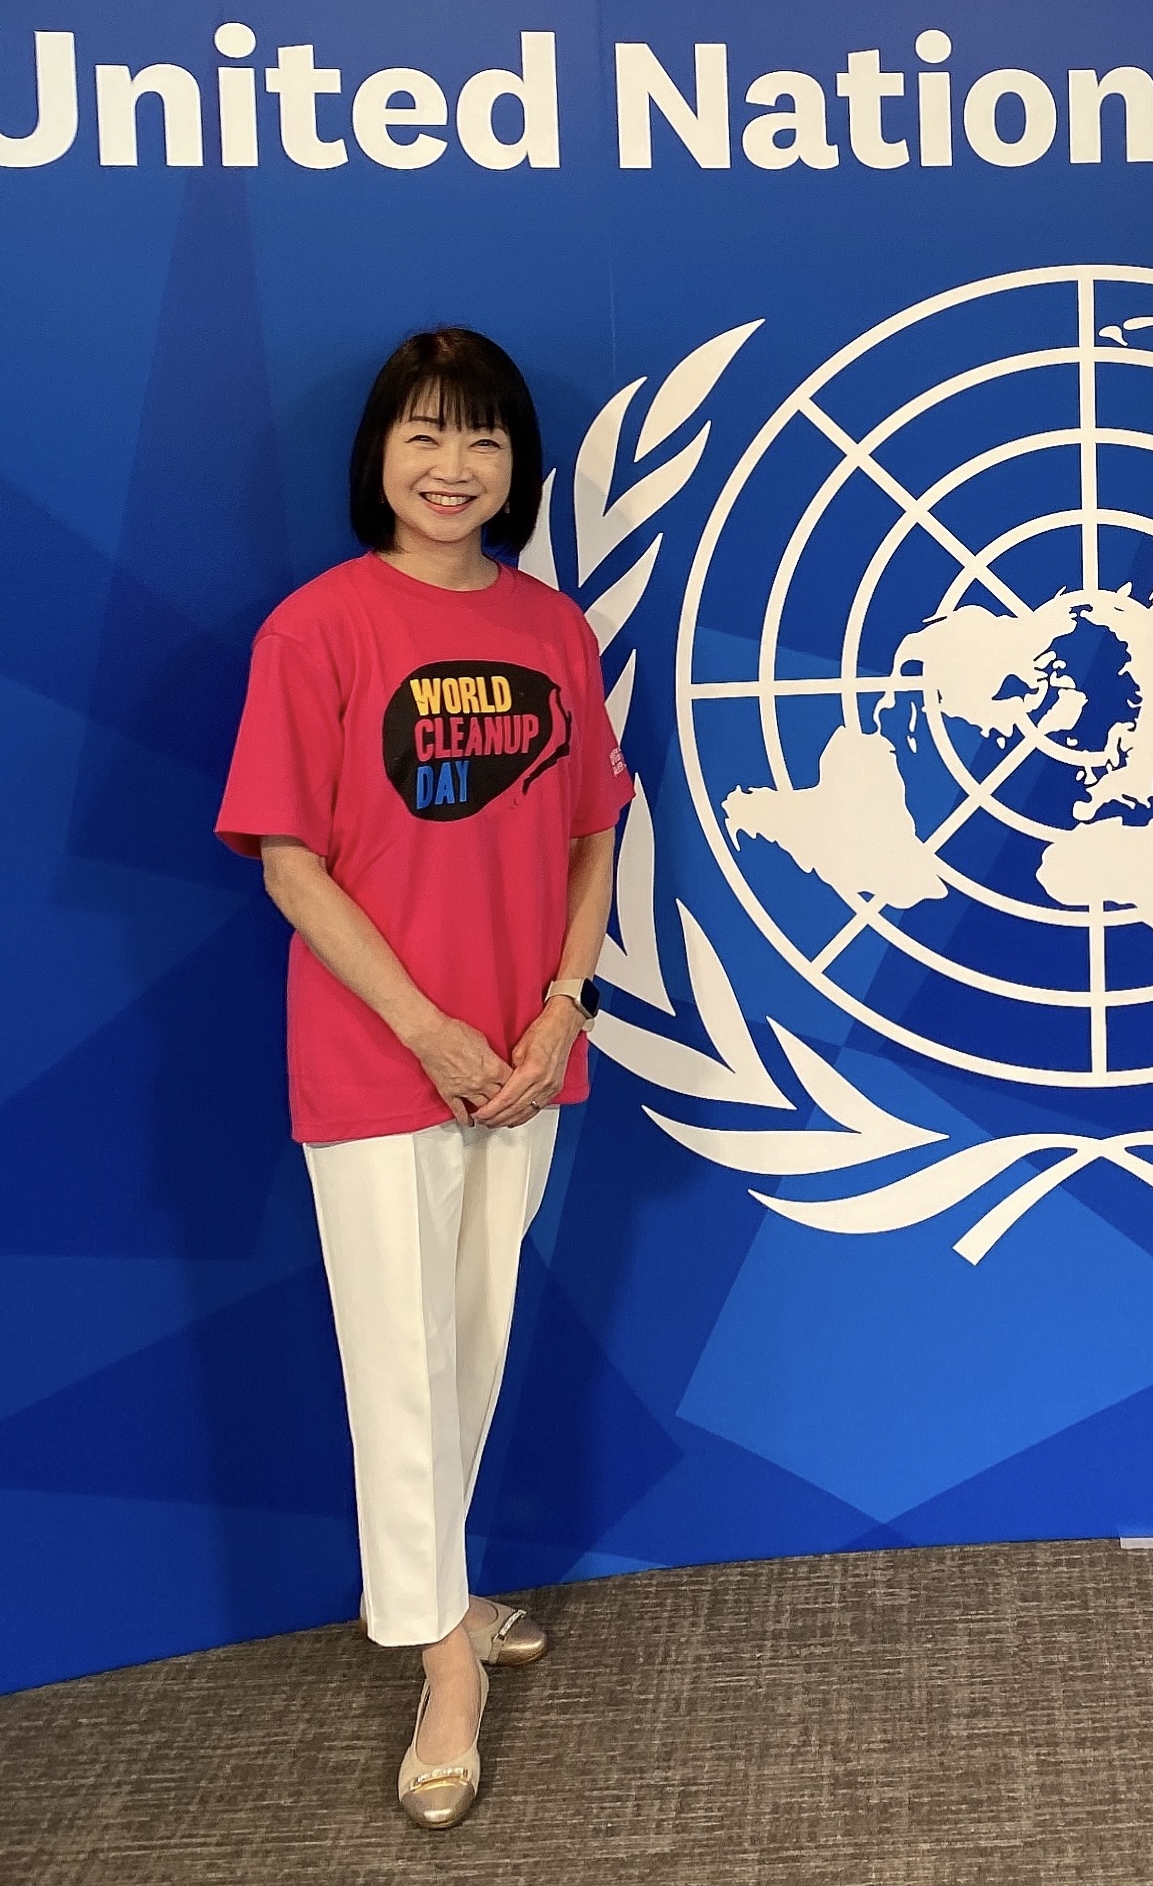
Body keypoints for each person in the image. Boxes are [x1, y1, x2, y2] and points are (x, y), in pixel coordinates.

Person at [217, 329, 631, 1828]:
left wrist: (563, 1009)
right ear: (379, 457)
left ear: (516, 466)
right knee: (400, 1366)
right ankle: (444, 1663)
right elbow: (289, 862)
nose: (453, 467)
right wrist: (429, 1030)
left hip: (523, 1058)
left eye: (483, 439)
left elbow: (593, 829)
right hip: (382, 1057)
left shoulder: (551, 628)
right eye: (425, 436)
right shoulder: (317, 628)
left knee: (472, 1339)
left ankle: (437, 1588)